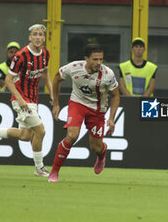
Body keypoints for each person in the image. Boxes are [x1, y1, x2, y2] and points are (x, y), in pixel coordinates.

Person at [48, 43, 120, 182]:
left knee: (96, 147)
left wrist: (111, 118)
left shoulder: (107, 74)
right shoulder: (74, 67)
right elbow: (57, 78)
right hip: (78, 104)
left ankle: (102, 153)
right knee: (72, 136)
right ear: (86, 58)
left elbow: (116, 96)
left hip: (98, 109)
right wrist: (56, 103)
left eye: (101, 59)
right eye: (95, 59)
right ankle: (54, 172)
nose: (99, 63)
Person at [0, 24, 52, 176]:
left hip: (33, 99)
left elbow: (45, 73)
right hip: (21, 99)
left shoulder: (45, 53)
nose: (37, 37)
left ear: (43, 37)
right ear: (29, 37)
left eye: (40, 34)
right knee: (40, 130)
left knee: (25, 135)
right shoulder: (21, 55)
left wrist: (52, 93)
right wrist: (20, 99)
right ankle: (39, 167)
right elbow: (8, 80)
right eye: (34, 34)